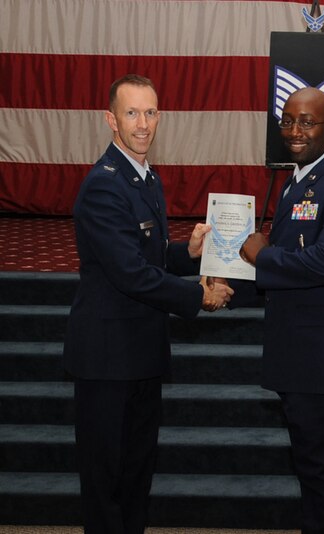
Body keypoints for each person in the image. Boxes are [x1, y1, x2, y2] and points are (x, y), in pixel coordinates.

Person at [63, 74, 233, 533]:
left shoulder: (145, 176)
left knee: (136, 476)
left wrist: (188, 254)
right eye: (132, 113)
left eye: (150, 112)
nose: (143, 124)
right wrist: (199, 295)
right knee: (106, 483)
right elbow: (130, 274)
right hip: (107, 359)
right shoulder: (104, 185)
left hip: (141, 353)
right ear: (111, 120)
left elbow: (147, 256)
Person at [228, 87, 324, 534]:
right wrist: (224, 288)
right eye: (288, 121)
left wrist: (263, 256)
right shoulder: (300, 179)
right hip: (303, 360)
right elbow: (290, 269)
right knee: (315, 475)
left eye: (307, 122)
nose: (295, 131)